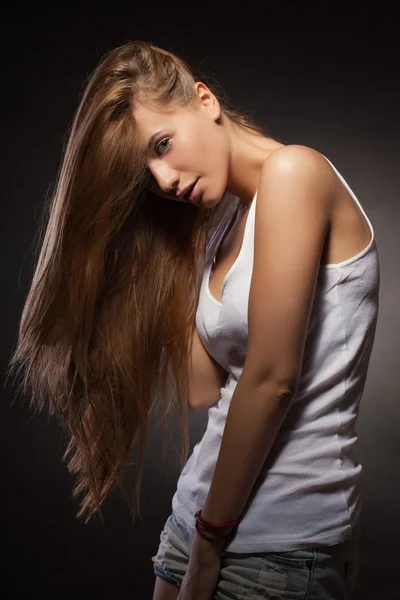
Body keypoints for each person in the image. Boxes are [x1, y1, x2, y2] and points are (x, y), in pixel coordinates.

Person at [8, 40, 380, 600]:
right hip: (194, 520)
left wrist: (210, 547)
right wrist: (170, 246)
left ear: (203, 101)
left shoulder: (296, 172)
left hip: (279, 541)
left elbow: (273, 376)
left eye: (162, 144)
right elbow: (204, 388)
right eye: (146, 171)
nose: (162, 178)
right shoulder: (219, 222)